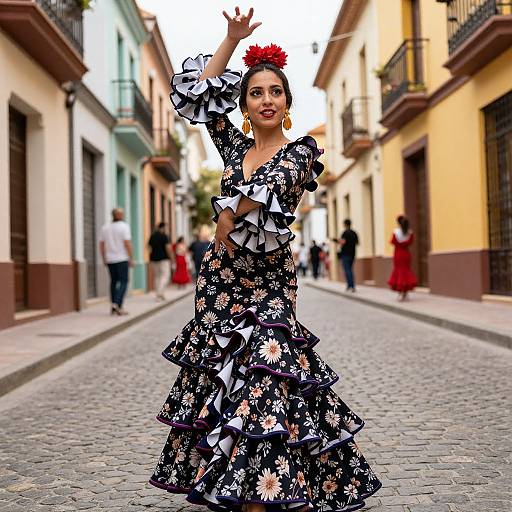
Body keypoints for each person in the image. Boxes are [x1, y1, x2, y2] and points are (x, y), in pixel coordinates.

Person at [150, 8, 380, 511]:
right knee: (227, 376)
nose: (266, 99)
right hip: (221, 283)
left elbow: (270, 188)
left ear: (288, 102)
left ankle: (264, 490)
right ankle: (238, 481)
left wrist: (229, 214)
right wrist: (230, 42)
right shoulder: (233, 150)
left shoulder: (300, 152)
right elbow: (197, 99)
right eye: (256, 93)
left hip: (271, 284)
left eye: (275, 91)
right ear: (246, 106)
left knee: (271, 372)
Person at [99, 208, 132, 315]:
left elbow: (102, 245)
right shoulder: (124, 226)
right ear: (119, 215)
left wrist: (104, 258)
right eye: (122, 213)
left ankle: (113, 304)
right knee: (124, 281)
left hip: (110, 259)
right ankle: (117, 304)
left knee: (113, 281)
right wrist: (131, 257)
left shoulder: (105, 227)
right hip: (122, 258)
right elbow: (127, 243)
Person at [388, 215, 417, 301]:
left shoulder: (396, 232)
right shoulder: (409, 232)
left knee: (399, 272)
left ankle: (400, 293)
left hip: (398, 254)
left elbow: (392, 242)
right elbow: (411, 242)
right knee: (406, 271)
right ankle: (406, 292)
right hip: (406, 254)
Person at [148, 222, 172, 301]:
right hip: (164, 259)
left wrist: (151, 257)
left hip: (154, 259)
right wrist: (172, 258)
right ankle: (159, 293)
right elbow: (168, 248)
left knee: (157, 276)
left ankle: (160, 294)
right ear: (163, 227)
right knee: (165, 276)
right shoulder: (164, 236)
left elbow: (149, 247)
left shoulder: (152, 236)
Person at [337, 219, 359, 292]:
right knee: (350, 270)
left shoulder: (345, 233)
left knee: (347, 270)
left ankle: (351, 285)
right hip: (352, 253)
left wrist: (336, 241)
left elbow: (342, 242)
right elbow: (357, 242)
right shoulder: (354, 233)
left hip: (345, 254)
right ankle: (350, 285)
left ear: (345, 224)